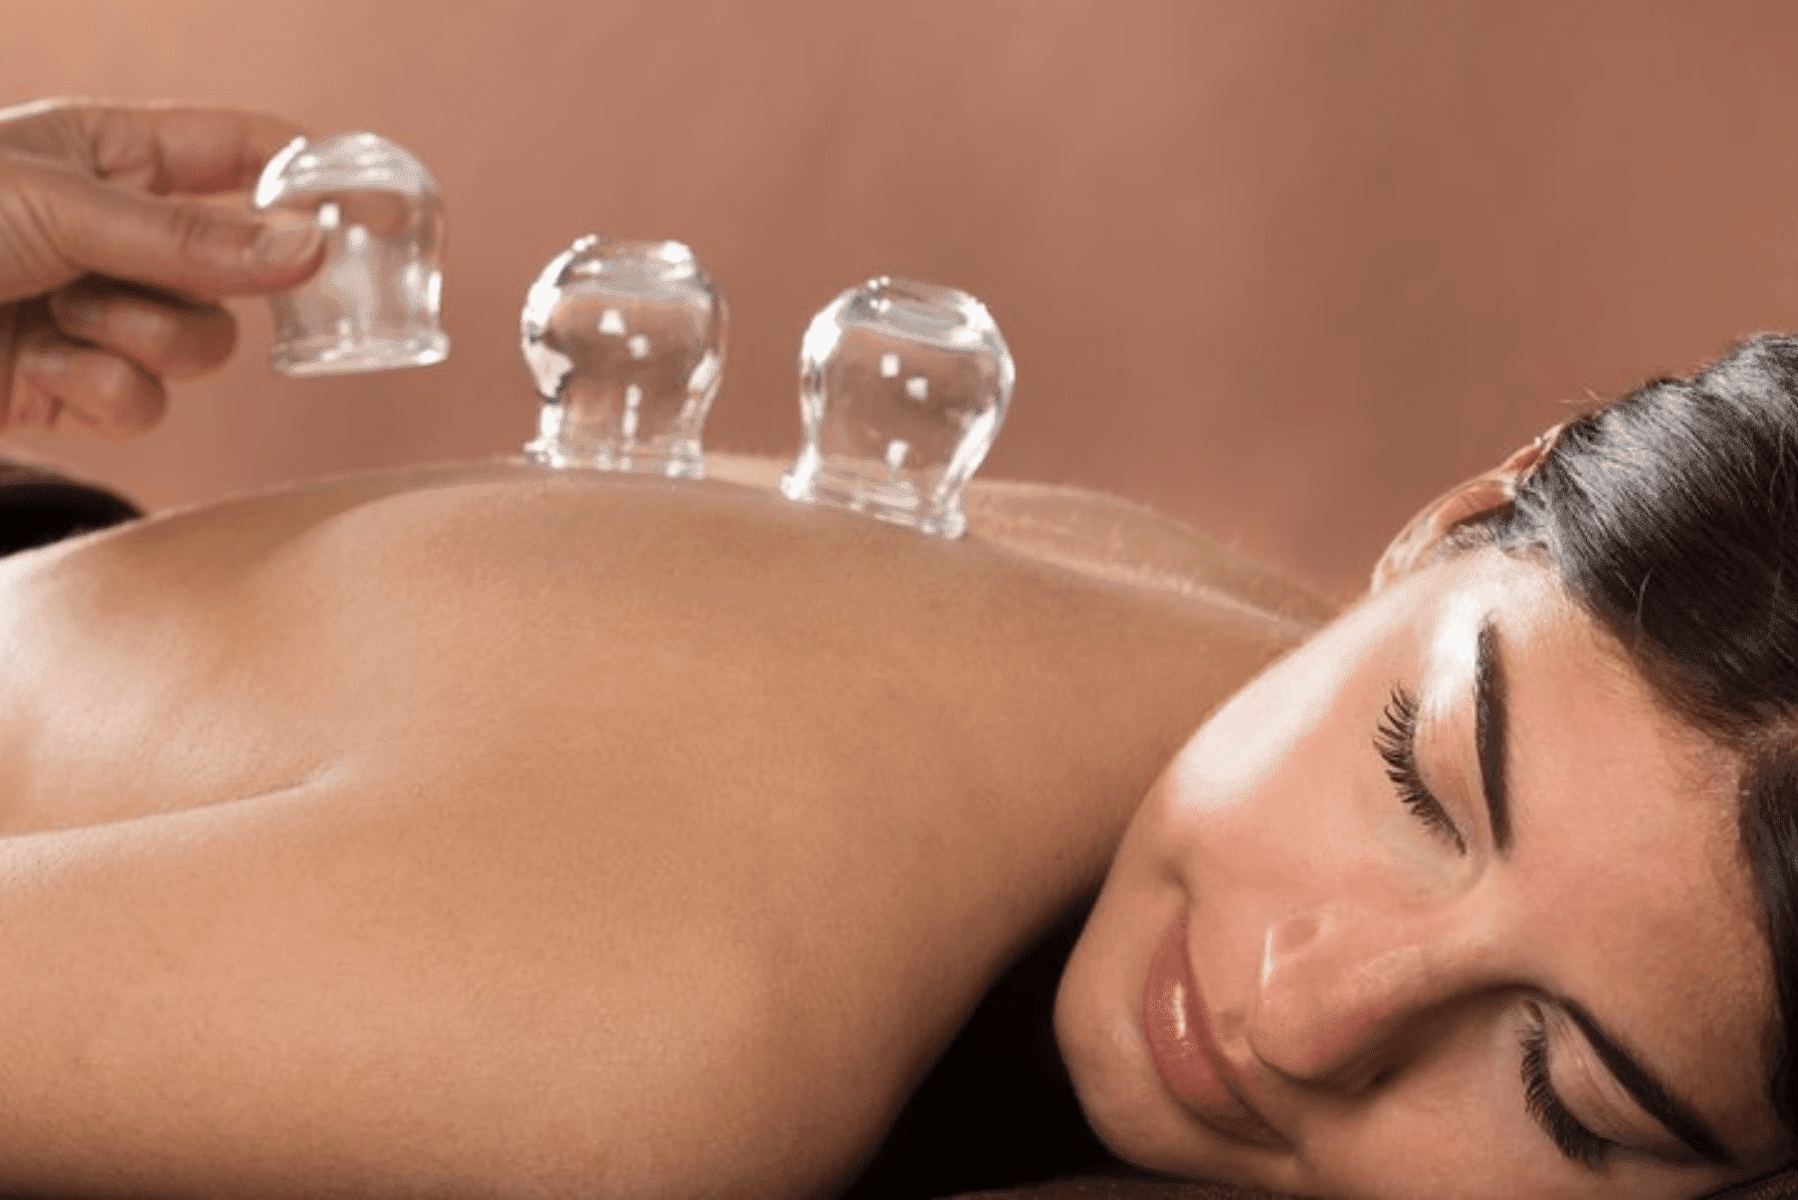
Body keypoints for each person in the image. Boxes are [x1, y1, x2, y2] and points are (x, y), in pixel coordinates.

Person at [0, 97, 1792, 1200]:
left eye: (1564, 1097)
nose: (1309, 1017)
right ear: (1467, 509)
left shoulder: (1238, 644)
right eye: (1414, 778)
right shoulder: (649, 1041)